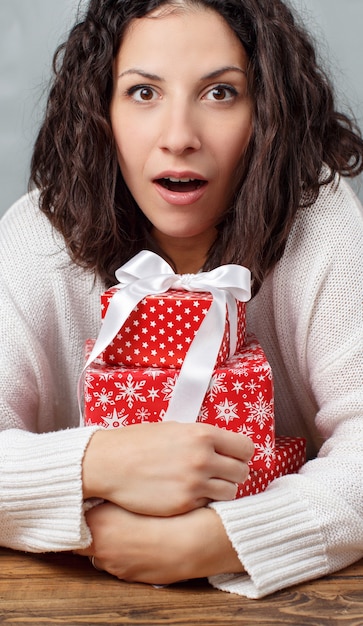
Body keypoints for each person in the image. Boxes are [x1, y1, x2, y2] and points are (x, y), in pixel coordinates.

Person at [0, 0, 362, 600]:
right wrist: (103, 462)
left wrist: (220, 540)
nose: (179, 138)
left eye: (220, 93)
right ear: (102, 111)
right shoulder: (38, 235)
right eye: (144, 93)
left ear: (265, 111)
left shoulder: (319, 224)